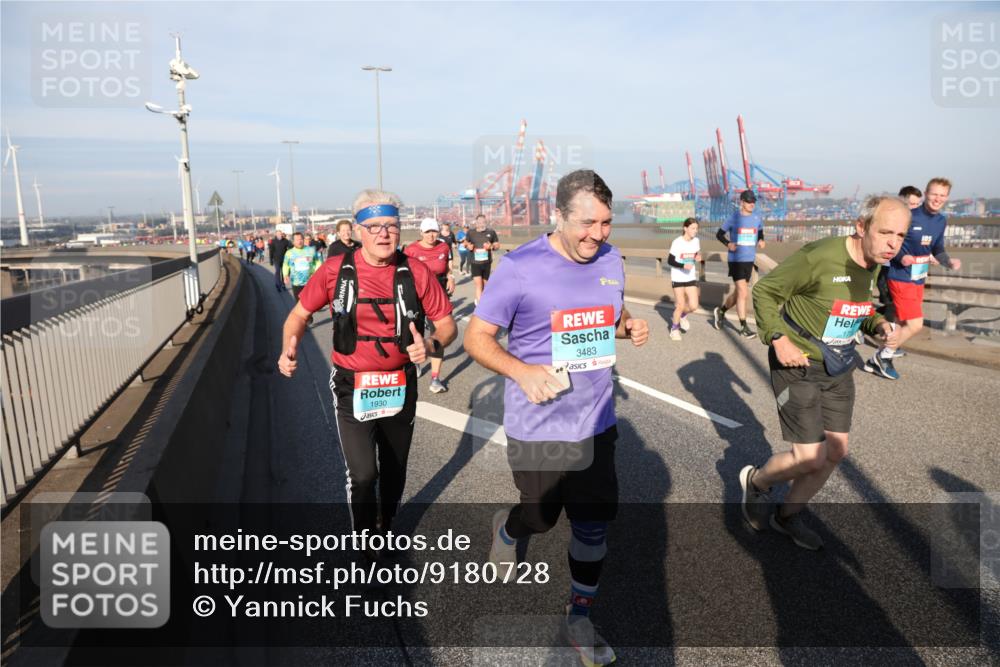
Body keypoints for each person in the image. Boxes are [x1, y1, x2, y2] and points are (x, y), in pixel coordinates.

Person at [464, 170, 649, 666]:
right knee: (542, 519)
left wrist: (628, 324)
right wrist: (521, 371)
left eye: (607, 223)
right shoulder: (520, 268)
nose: (598, 234)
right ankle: (510, 528)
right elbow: (476, 338)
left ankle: (579, 617)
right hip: (538, 426)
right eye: (587, 223)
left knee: (592, 526)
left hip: (595, 421)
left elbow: (611, 312)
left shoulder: (611, 260)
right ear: (559, 216)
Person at [278, 190, 456, 547]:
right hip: (351, 384)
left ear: (400, 230)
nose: (383, 234)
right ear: (358, 231)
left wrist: (432, 344)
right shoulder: (333, 271)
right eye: (373, 226)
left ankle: (385, 525)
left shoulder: (416, 271)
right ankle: (364, 541)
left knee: (394, 469)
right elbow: (298, 315)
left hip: (400, 382)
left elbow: (448, 325)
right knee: (363, 474)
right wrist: (289, 346)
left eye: (391, 225)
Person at [740, 195, 908, 550]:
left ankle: (787, 517)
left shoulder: (875, 261)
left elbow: (859, 308)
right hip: (796, 360)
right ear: (861, 228)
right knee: (809, 456)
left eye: (901, 235)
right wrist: (777, 338)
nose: (894, 243)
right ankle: (757, 482)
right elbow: (767, 291)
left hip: (838, 363)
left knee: (834, 452)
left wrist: (877, 323)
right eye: (886, 232)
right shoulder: (819, 256)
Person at [865, 178, 961, 380]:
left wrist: (949, 262)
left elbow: (937, 249)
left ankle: (883, 354)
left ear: (947, 198)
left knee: (901, 322)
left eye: (942, 195)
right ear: (926, 193)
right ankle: (882, 356)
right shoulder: (910, 216)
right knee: (916, 324)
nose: (938, 199)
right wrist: (902, 257)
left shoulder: (941, 221)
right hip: (900, 276)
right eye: (934, 194)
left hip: (919, 277)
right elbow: (892, 242)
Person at [404, 218, 455, 393]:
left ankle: (435, 378)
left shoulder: (444, 246)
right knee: (413, 333)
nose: (431, 235)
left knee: (438, 335)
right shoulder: (411, 250)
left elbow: (447, 267)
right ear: (421, 233)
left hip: (438, 295)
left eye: (434, 231)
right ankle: (416, 362)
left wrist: (451, 277)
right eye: (427, 232)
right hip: (416, 295)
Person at [874, 185, 922, 354]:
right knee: (892, 307)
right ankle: (888, 345)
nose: (914, 208)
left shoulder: (917, 225)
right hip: (888, 272)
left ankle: (889, 341)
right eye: (910, 204)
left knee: (894, 308)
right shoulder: (893, 221)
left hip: (907, 274)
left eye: (917, 205)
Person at [712, 190, 765, 338]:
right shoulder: (733, 218)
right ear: (741, 202)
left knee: (738, 293)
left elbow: (760, 231)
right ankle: (744, 327)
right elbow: (719, 234)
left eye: (753, 201)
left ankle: (721, 311)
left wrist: (760, 239)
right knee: (743, 292)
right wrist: (728, 244)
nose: (752, 204)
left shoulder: (756, 218)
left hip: (749, 259)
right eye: (749, 201)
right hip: (736, 260)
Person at [666, 217, 702, 341]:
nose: (695, 231)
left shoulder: (696, 241)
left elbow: (696, 254)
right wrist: (682, 265)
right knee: (680, 304)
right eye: (693, 228)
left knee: (693, 306)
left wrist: (698, 257)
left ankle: (682, 316)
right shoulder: (677, 242)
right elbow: (670, 260)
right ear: (685, 228)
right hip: (678, 277)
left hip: (690, 276)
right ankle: (674, 329)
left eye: (696, 228)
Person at [463, 214, 500, 305]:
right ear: (476, 223)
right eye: (479, 222)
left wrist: (491, 246)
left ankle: (482, 301)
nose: (481, 224)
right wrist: (469, 246)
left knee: (485, 285)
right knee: (479, 284)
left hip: (486, 263)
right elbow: (465, 243)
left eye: (483, 222)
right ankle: (480, 306)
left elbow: (497, 245)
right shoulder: (471, 232)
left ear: (485, 222)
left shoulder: (491, 232)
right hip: (475, 262)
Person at [282, 231, 322, 303]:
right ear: (293, 242)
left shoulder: (311, 250)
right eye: (297, 240)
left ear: (303, 240)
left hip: (310, 282)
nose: (299, 241)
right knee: (299, 305)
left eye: (301, 239)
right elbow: (285, 265)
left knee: (310, 305)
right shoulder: (289, 253)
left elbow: (318, 261)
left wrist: (316, 273)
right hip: (297, 283)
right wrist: (285, 275)